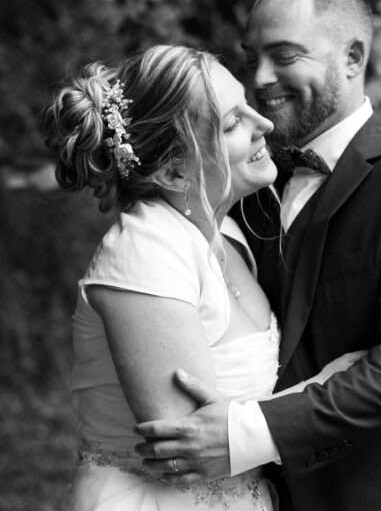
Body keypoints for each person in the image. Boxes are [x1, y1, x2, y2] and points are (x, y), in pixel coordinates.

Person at [133, 0, 381, 510]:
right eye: (252, 55)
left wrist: (246, 433)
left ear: (353, 57)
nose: (260, 77)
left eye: (284, 55)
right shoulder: (241, 179)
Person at [43, 44, 362, 511]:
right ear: (174, 170)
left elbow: (232, 432)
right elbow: (187, 448)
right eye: (233, 123)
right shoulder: (145, 251)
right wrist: (334, 382)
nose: (265, 124)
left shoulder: (227, 237)